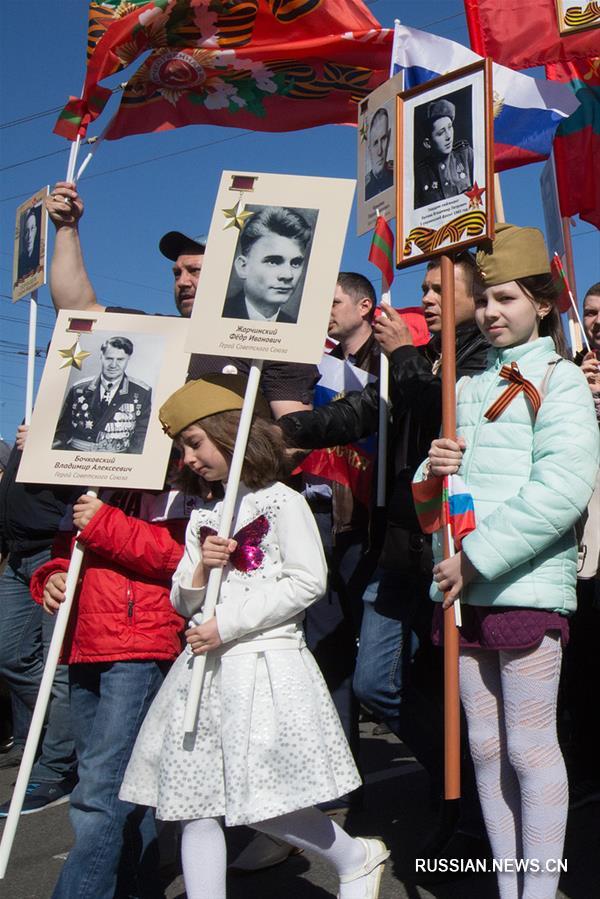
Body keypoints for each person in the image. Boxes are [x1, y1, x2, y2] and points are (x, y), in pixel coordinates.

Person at [119, 374, 390, 899]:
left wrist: (229, 624)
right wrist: (199, 574)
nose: (191, 458)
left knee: (264, 801)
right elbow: (182, 598)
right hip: (204, 671)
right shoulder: (206, 514)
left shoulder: (280, 501)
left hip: (264, 666)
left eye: (195, 443)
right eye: (182, 450)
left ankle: (354, 857)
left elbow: (308, 581)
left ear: (229, 432)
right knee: (195, 802)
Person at [278, 254, 491, 862]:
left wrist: (400, 357)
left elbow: (441, 412)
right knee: (377, 680)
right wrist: (284, 434)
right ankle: (458, 787)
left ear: (474, 299)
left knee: (452, 686)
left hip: (453, 547)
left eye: (438, 287)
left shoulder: (478, 356)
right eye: (422, 287)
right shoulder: (418, 358)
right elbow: (358, 414)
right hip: (400, 547)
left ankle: (467, 809)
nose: (425, 297)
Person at [417, 223, 599, 899]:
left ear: (544, 303)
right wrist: (429, 470)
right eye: (485, 300)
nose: (492, 312)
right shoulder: (462, 384)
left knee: (527, 746)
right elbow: (435, 501)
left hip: (524, 587)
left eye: (507, 299)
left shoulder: (562, 380)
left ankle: (541, 890)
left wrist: (478, 557)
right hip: (462, 588)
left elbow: (562, 488)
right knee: (485, 750)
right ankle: (507, 883)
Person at [29, 472, 200, 899]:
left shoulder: (178, 485)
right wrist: (52, 575)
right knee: (124, 785)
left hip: (139, 643)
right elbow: (68, 552)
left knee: (100, 792)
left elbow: (179, 557)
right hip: (85, 640)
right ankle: (135, 888)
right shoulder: (91, 482)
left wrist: (103, 521)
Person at [45, 184, 317, 418]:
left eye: (195, 271)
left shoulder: (275, 343)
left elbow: (293, 434)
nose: (183, 282)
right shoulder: (159, 335)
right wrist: (66, 228)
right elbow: (76, 309)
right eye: (177, 273)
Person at [0, 428, 77, 814]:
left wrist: (49, 443)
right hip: (18, 554)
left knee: (57, 666)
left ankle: (57, 768)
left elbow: (90, 472)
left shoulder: (76, 415)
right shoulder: (35, 414)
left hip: (54, 548)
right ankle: (62, 733)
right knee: (9, 654)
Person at [565, 282, 600, 809]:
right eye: (591, 313)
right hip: (586, 547)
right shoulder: (569, 374)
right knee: (586, 665)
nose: (596, 320)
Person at [52, 336, 152, 454]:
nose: (113, 365)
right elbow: (62, 432)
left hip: (117, 462)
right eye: (109, 358)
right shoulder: (78, 389)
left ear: (128, 359)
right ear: (101, 356)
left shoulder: (141, 392)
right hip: (76, 457)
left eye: (120, 360)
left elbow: (141, 437)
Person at [222, 206, 311, 323]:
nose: (288, 275)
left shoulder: (297, 326)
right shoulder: (215, 314)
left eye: (295, 263)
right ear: (243, 267)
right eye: (273, 262)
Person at [414, 98, 473, 209]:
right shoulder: (420, 175)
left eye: (450, 127)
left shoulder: (466, 155)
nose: (448, 136)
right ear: (428, 143)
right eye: (441, 133)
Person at [365, 107, 394, 201]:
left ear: (389, 138)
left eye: (383, 139)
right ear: (369, 147)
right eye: (375, 143)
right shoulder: (365, 188)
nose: (379, 151)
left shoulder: (397, 174)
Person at [17, 205, 41, 280]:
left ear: (36, 229)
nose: (30, 235)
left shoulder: (38, 256)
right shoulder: (20, 261)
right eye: (27, 231)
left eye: (32, 228)